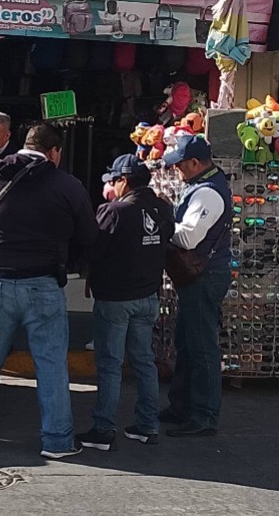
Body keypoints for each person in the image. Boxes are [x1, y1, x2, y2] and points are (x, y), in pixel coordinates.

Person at [0, 123, 98, 459]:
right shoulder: (67, 185)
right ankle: (57, 441)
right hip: (43, 282)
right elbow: (89, 234)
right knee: (51, 364)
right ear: (54, 152)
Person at [76, 154, 174, 451]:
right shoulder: (163, 209)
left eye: (114, 181)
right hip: (148, 297)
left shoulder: (114, 211)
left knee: (110, 364)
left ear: (124, 181)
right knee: (144, 362)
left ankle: (104, 428)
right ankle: (147, 425)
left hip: (115, 298)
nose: (112, 186)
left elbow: (92, 250)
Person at [161, 135, 232, 438]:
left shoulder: (208, 194)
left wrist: (163, 226)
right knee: (187, 342)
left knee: (201, 348)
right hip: (199, 277)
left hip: (204, 277)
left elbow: (189, 238)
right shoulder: (205, 185)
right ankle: (182, 406)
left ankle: (204, 415)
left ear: (194, 163)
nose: (176, 170)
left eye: (179, 165)